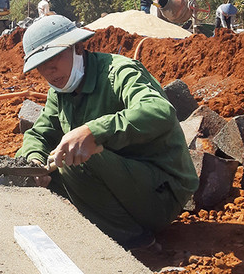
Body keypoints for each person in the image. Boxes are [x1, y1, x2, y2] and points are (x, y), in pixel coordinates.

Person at [15, 15, 198, 249]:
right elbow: (39, 134)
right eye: (41, 64)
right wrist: (34, 160)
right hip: (119, 187)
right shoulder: (60, 91)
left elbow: (159, 110)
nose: (49, 70)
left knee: (76, 158)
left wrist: (93, 131)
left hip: (161, 192)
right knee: (32, 168)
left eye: (55, 57)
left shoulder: (119, 72)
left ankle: (134, 242)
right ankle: (108, 226)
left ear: (78, 47)